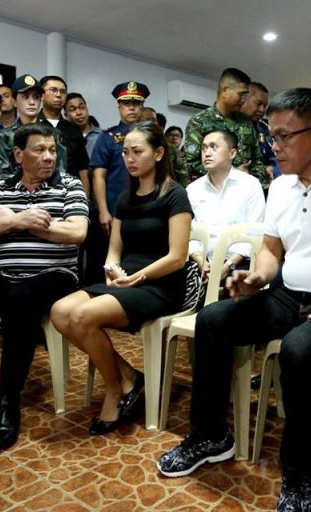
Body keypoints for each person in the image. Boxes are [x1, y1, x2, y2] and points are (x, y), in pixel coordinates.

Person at [157, 88, 311, 512]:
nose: (277, 145)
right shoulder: (282, 187)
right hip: (289, 295)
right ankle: (210, 434)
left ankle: (299, 473)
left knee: (298, 350)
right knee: (213, 320)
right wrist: (257, 276)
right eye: (273, 136)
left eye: (286, 136)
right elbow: (272, 250)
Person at [51, 121, 193, 435]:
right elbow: (114, 251)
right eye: (125, 152)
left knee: (83, 316)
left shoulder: (175, 195)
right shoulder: (124, 198)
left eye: (137, 151)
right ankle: (130, 375)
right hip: (127, 281)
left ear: (158, 154)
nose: (129, 158)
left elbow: (177, 257)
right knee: (60, 311)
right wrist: (113, 270)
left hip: (161, 284)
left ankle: (115, 389)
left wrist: (135, 278)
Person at [0, 123, 88, 451]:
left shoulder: (70, 185)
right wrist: (20, 219)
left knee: (20, 300)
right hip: (5, 275)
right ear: (18, 154)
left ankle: (7, 403)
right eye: (39, 150)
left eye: (52, 150)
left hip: (55, 276)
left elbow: (76, 232)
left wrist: (14, 221)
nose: (49, 157)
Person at [88, 80, 150, 284]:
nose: (131, 107)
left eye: (136, 103)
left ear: (142, 106)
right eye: (126, 103)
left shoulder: (151, 138)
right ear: (119, 107)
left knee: (139, 262)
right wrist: (103, 211)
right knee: (106, 263)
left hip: (144, 211)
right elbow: (99, 175)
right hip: (114, 211)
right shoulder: (108, 137)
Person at [186, 129, 266, 281]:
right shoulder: (193, 189)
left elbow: (255, 232)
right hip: (202, 264)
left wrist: (228, 265)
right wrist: (200, 260)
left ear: (232, 153)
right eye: (204, 148)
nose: (207, 153)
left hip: (241, 263)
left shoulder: (250, 185)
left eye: (213, 147)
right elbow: (189, 233)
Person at [183, 68, 268, 189]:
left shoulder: (245, 121)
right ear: (225, 91)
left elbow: (256, 158)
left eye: (246, 95)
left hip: (247, 190)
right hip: (215, 191)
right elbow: (191, 164)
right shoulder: (200, 121)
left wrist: (259, 185)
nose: (243, 99)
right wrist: (230, 176)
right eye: (241, 94)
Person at [38, 75, 90, 194]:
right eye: (53, 90)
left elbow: (82, 168)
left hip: (70, 192)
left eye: (62, 91)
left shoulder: (73, 129)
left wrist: (85, 198)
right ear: (41, 95)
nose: (58, 95)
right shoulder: (32, 126)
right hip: (40, 192)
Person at [241, 82, 278, 181]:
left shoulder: (264, 130)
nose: (262, 110)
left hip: (261, 188)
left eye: (265, 106)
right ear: (243, 100)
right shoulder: (226, 125)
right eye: (258, 104)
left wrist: (272, 168)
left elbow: (274, 158)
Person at [64, 92, 102, 158]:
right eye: (72, 109)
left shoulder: (103, 135)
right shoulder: (63, 138)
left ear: (87, 109)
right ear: (66, 115)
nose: (79, 113)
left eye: (82, 107)